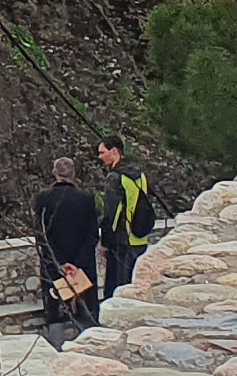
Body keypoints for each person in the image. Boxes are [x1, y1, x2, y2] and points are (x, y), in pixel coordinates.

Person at [36, 155, 103, 339]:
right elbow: (92, 234)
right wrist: (76, 263)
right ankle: (89, 342)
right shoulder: (87, 199)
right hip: (83, 265)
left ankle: (57, 345)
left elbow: (42, 236)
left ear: (54, 173)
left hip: (53, 264)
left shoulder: (44, 199)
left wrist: (61, 263)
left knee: (55, 308)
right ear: (74, 173)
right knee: (86, 310)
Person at [93, 138, 154, 300]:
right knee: (137, 286)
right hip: (140, 237)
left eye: (102, 152)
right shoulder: (140, 175)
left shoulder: (114, 178)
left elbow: (111, 214)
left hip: (121, 241)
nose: (100, 157)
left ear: (114, 152)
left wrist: (105, 243)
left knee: (118, 291)